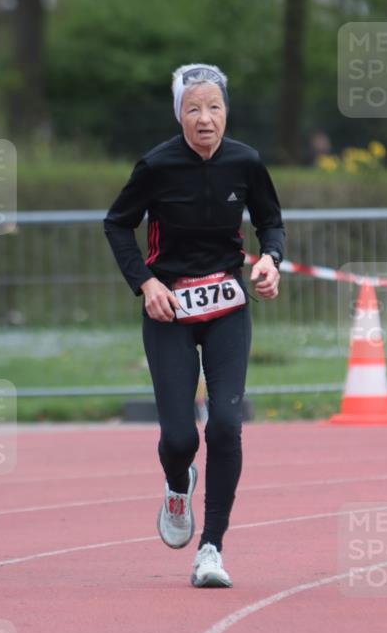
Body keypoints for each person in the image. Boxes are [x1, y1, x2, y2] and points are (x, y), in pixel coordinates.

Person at [104, 63, 284, 588]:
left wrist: (271, 259)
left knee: (226, 426)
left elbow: (270, 220)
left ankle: (211, 548)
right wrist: (146, 283)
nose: (205, 119)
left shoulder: (245, 162)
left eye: (214, 107)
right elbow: (116, 223)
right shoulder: (157, 166)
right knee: (181, 436)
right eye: (193, 108)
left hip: (227, 304)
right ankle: (177, 482)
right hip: (169, 311)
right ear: (179, 113)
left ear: (227, 110)